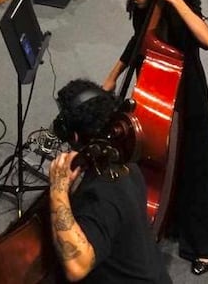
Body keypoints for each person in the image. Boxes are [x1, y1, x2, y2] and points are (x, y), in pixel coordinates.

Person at [102, 0, 208, 275]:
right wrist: (113, 77)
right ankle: (167, 220)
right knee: (155, 162)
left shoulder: (175, 9)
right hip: (156, 94)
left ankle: (204, 245)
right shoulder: (145, 12)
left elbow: (207, 39)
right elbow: (137, 42)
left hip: (187, 98)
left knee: (195, 169)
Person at [48, 80, 171, 284]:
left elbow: (76, 267)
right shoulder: (125, 162)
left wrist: (57, 190)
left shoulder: (99, 195)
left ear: (75, 136)